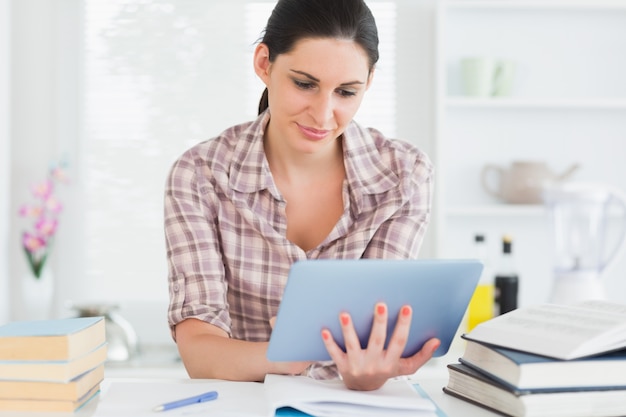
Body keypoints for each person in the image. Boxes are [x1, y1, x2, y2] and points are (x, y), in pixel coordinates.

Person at [164, 0, 440, 391]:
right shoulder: (200, 175)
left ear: (369, 82)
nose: (323, 114)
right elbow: (199, 353)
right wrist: (293, 355)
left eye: (346, 91)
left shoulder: (403, 175)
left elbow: (370, 343)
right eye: (305, 84)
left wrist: (370, 372)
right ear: (264, 63)